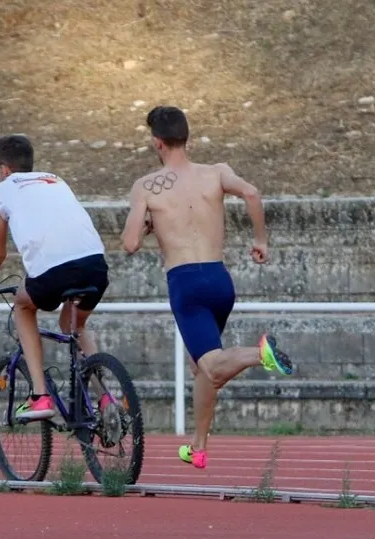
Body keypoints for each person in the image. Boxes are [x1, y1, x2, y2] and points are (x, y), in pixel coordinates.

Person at [121, 105, 293, 470]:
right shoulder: (217, 172)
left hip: (186, 284)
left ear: (157, 143)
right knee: (202, 367)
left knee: (212, 366)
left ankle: (259, 354)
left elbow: (130, 243)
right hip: (219, 280)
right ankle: (197, 446)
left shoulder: (146, 186)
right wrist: (261, 240)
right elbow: (251, 193)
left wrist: (147, 224)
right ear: (187, 137)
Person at [0, 134, 111, 421]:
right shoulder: (55, 179)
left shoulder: (4, 188)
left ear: (4, 169)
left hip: (53, 270)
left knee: (24, 307)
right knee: (73, 324)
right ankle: (106, 397)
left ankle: (40, 396)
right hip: (95, 264)